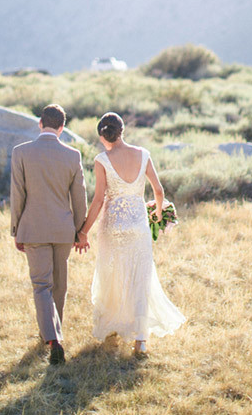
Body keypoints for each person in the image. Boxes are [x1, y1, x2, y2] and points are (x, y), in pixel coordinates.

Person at [76, 112, 185, 356]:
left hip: (113, 226)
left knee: (113, 275)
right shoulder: (143, 154)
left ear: (103, 136)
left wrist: (83, 230)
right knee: (140, 278)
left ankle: (113, 325)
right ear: (122, 131)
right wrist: (157, 213)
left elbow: (98, 200)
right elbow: (158, 190)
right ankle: (140, 340)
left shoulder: (102, 159)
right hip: (138, 225)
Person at [10, 103, 88, 364]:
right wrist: (80, 231)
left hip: (32, 229)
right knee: (59, 284)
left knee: (41, 285)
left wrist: (16, 230)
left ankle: (52, 338)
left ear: (40, 123)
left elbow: (17, 195)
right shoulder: (73, 155)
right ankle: (56, 334)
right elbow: (80, 198)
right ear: (62, 128)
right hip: (63, 230)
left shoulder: (21, 153)